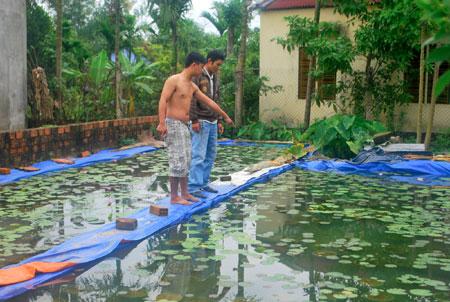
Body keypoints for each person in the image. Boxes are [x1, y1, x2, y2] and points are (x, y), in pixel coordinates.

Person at [156, 52, 233, 205]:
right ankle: (174, 197)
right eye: (200, 67)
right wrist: (162, 122)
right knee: (177, 160)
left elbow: (209, 102)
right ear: (194, 65)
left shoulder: (191, 85)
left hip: (184, 125)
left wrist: (224, 116)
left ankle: (185, 193)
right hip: (172, 123)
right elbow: (163, 100)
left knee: (186, 159)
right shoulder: (174, 80)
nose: (201, 70)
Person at [188, 50, 226, 198]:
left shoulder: (215, 76)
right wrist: (194, 120)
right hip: (201, 120)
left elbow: (216, 99)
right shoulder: (198, 75)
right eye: (217, 64)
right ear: (209, 61)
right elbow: (191, 98)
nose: (219, 67)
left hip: (213, 120)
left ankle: (203, 183)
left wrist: (220, 120)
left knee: (211, 154)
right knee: (199, 155)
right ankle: (193, 187)